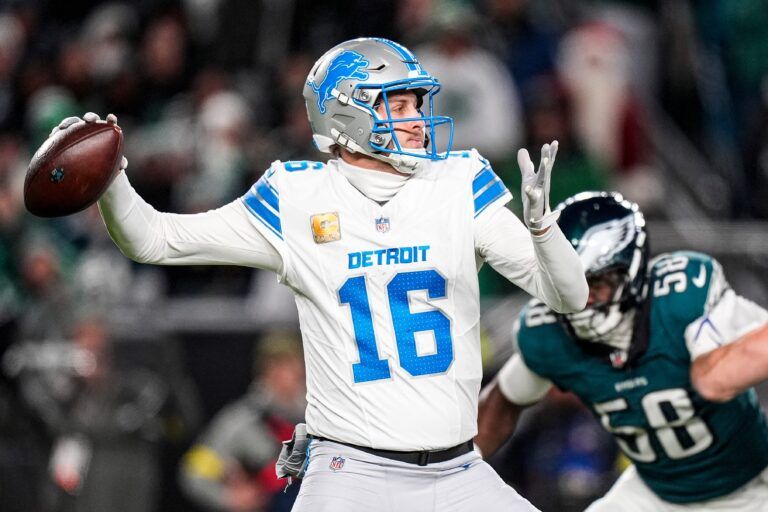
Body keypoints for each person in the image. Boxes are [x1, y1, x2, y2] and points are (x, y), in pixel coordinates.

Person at [50, 38, 588, 511]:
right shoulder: (297, 196)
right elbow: (155, 240)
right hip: (351, 475)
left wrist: (541, 229)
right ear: (346, 116)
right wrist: (112, 178)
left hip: (458, 471)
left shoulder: (458, 181)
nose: (417, 118)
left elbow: (570, 296)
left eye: (417, 102)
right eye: (397, 104)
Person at [476, 191, 768, 511]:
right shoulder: (547, 332)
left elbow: (734, 364)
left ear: (631, 272)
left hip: (752, 485)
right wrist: (452, 468)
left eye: (595, 282)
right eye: (570, 284)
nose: (582, 299)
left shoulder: (682, 296)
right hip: (656, 493)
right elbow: (503, 402)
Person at [179, 331, 306, 512]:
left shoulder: (320, 414)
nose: (284, 373)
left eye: (290, 363)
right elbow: (194, 471)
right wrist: (229, 499)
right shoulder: (243, 422)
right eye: (275, 365)